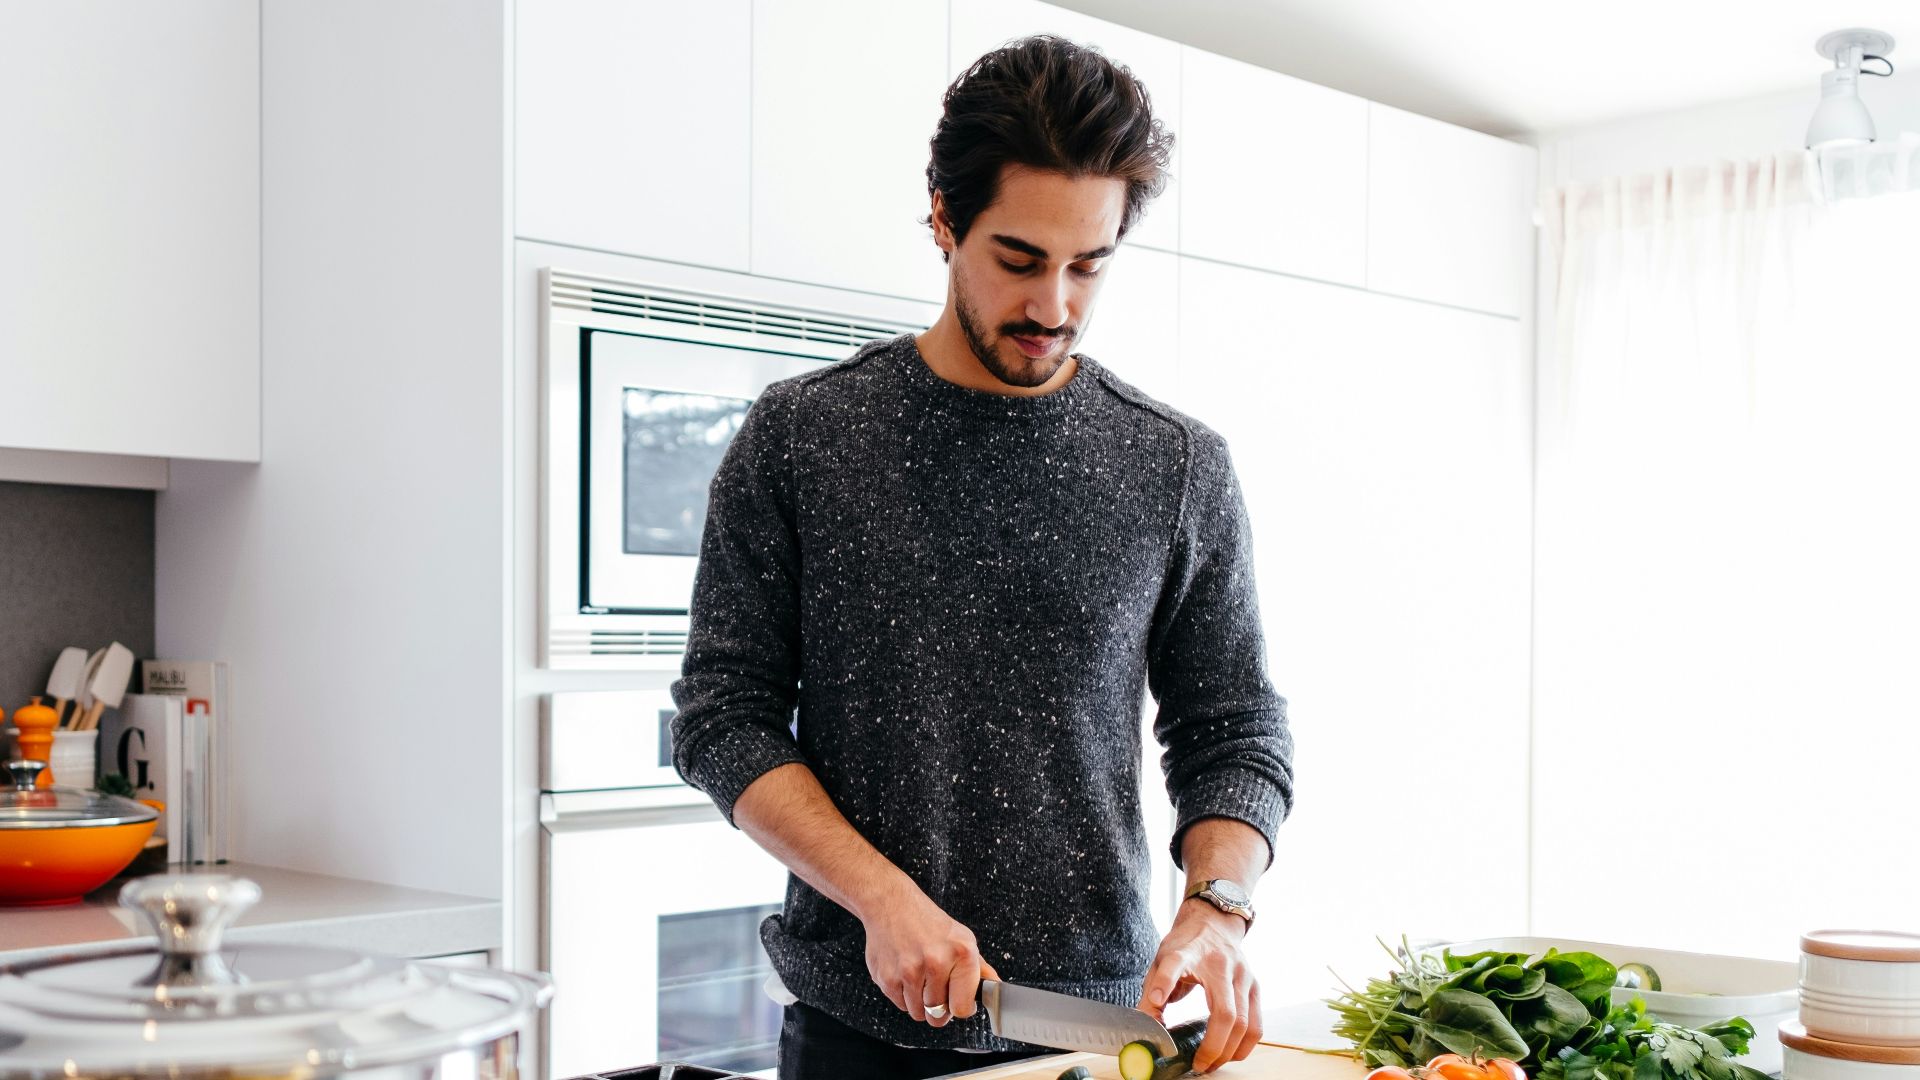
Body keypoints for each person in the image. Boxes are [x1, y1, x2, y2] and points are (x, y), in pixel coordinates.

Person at [670, 34, 1294, 1080]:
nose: (1054, 304)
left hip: (1100, 1033)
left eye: (1088, 264)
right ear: (943, 219)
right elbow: (721, 719)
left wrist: (1218, 906)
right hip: (856, 1033)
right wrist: (880, 897)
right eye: (1019, 259)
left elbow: (1235, 729)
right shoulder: (802, 439)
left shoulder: (1176, 465)